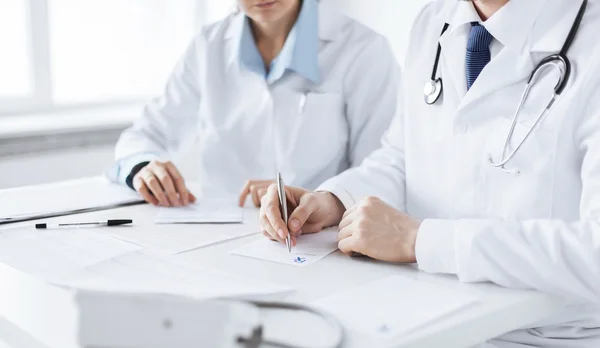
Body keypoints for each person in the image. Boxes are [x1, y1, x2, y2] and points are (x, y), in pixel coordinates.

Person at [259, 0, 600, 348]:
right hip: (429, 320)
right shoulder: (435, 21)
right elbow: (401, 157)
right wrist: (334, 200)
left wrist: (421, 240)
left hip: (546, 346)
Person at [111, 0, 399, 208]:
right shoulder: (207, 46)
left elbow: (381, 171)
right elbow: (145, 136)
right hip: (218, 232)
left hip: (315, 238)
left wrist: (316, 198)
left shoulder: (364, 50)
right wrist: (143, 166)